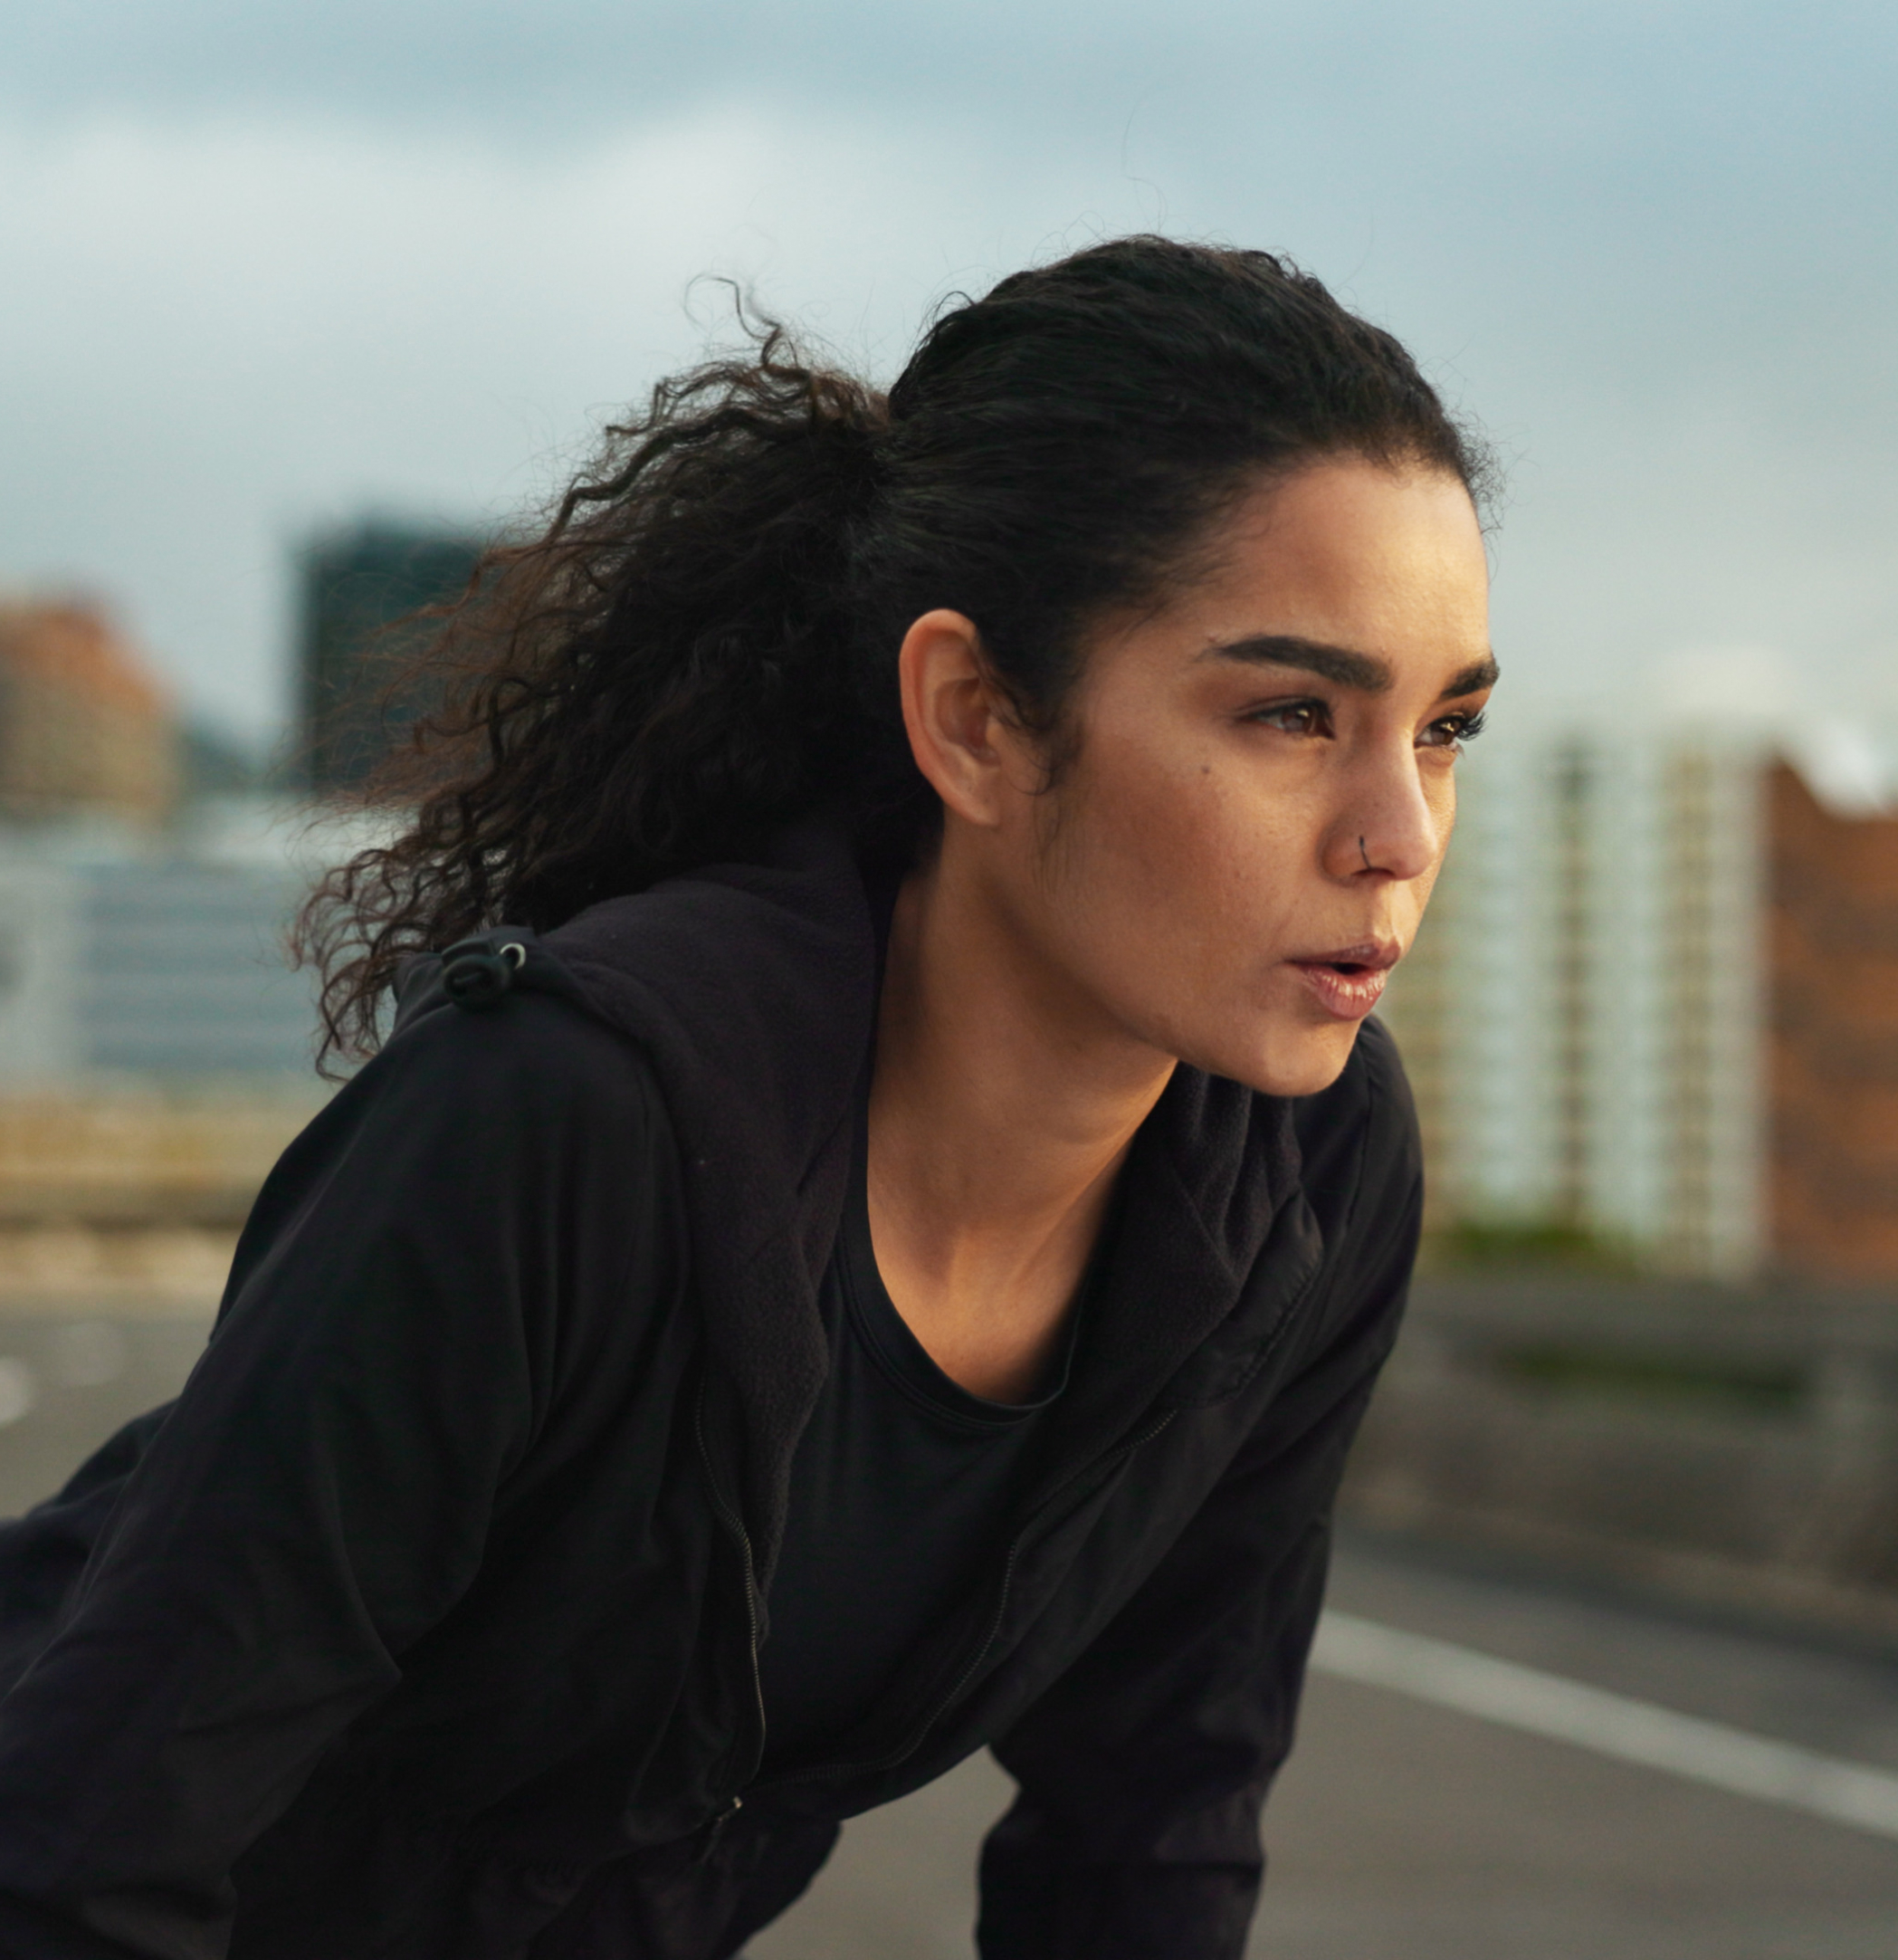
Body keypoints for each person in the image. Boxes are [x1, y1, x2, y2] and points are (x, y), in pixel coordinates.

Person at [0, 236, 1494, 1958]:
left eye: (1444, 728)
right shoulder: (569, 1117)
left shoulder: (1303, 1169)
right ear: (975, 719)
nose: (1397, 837)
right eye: (1295, 713)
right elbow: (83, 1844)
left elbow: (1154, 1830)